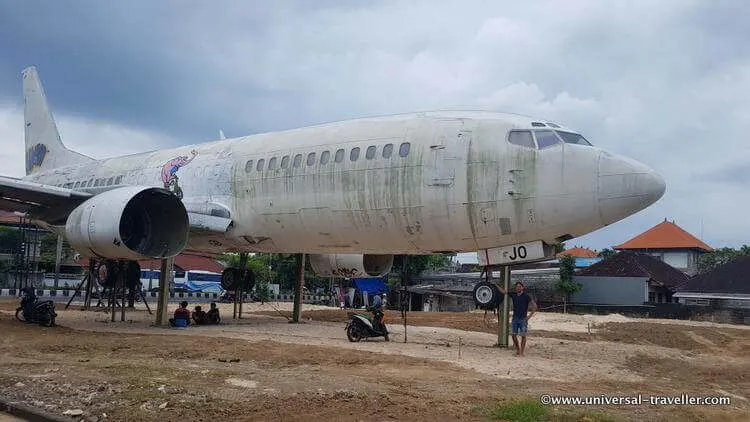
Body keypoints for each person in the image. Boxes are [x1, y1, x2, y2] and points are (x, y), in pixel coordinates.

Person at [499, 282, 537, 357]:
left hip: (523, 318)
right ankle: (518, 350)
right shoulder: (513, 295)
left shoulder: (526, 296)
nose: (518, 288)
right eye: (517, 287)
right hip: (515, 318)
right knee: (513, 335)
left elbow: (535, 306)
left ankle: (522, 352)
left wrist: (528, 317)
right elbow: (504, 292)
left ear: (523, 287)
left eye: (520, 287)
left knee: (523, 335)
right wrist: (496, 286)